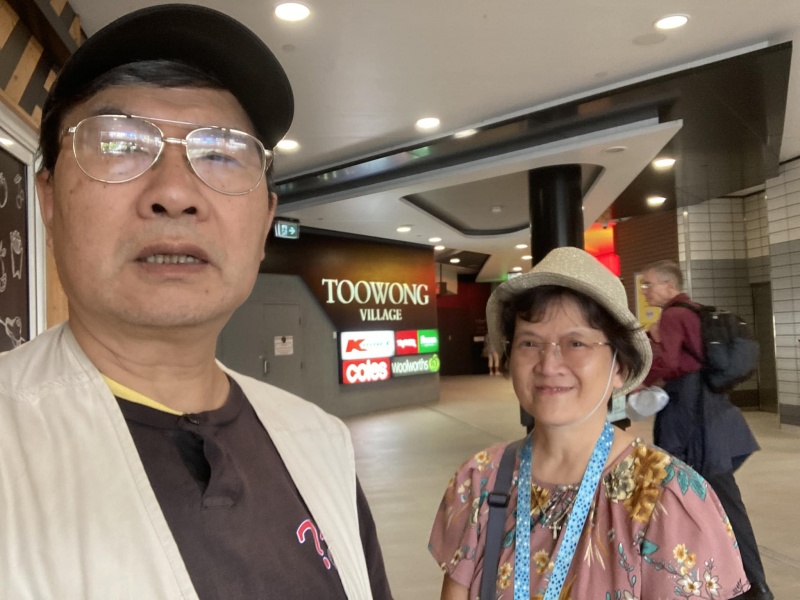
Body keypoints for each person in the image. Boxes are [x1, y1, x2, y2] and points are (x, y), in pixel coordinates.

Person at [0, 5, 391, 598]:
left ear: (265, 219)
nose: (176, 192)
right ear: (48, 200)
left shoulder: (320, 441)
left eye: (221, 152)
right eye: (121, 143)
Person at [429, 247, 750, 599]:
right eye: (529, 342)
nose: (548, 364)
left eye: (576, 343)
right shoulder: (478, 481)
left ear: (619, 367)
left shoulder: (668, 497)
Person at [640, 259, 771, 600]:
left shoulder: (673, 315)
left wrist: (639, 378)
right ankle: (746, 582)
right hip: (711, 413)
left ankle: (753, 584)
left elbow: (670, 363)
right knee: (717, 502)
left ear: (669, 285)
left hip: (691, 420)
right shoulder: (695, 311)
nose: (645, 290)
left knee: (713, 502)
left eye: (649, 283)